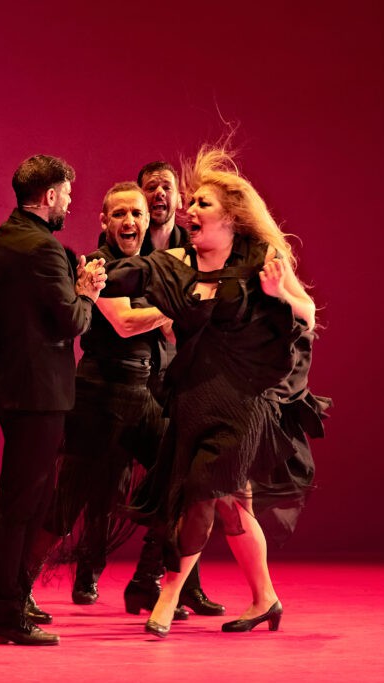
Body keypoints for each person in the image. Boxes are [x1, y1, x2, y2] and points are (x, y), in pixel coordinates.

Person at [102, 145, 326, 638]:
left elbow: (308, 314)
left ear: (231, 217)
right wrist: (95, 274)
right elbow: (135, 272)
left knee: (201, 492)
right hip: (194, 396)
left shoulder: (262, 259)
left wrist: (280, 295)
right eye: (193, 203)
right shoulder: (180, 261)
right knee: (232, 504)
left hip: (245, 400)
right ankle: (266, 598)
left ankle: (166, 598)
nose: (191, 211)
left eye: (203, 204)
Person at [30, 182, 178, 611]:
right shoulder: (97, 265)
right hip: (98, 394)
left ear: (148, 220)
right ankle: (16, 590)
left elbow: (172, 334)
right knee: (67, 504)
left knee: (182, 473)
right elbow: (126, 324)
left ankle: (147, 580)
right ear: (104, 221)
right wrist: (178, 305)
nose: (129, 221)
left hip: (141, 391)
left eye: (136, 214)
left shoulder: (153, 268)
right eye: (119, 214)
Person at [0, 155, 105, 646]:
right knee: (23, 503)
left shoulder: (4, 238)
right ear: (50, 195)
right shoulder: (44, 248)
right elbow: (72, 322)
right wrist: (87, 292)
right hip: (38, 393)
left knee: (22, 500)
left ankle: (11, 602)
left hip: (14, 386)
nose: (69, 204)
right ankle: (7, 612)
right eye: (67, 195)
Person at [122, 162, 225, 619]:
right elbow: (128, 315)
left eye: (167, 187)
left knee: (184, 485)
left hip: (177, 377)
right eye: (151, 188)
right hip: (131, 381)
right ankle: (127, 578)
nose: (160, 194)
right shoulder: (130, 242)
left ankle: (166, 583)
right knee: (111, 485)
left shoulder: (194, 245)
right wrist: (175, 311)